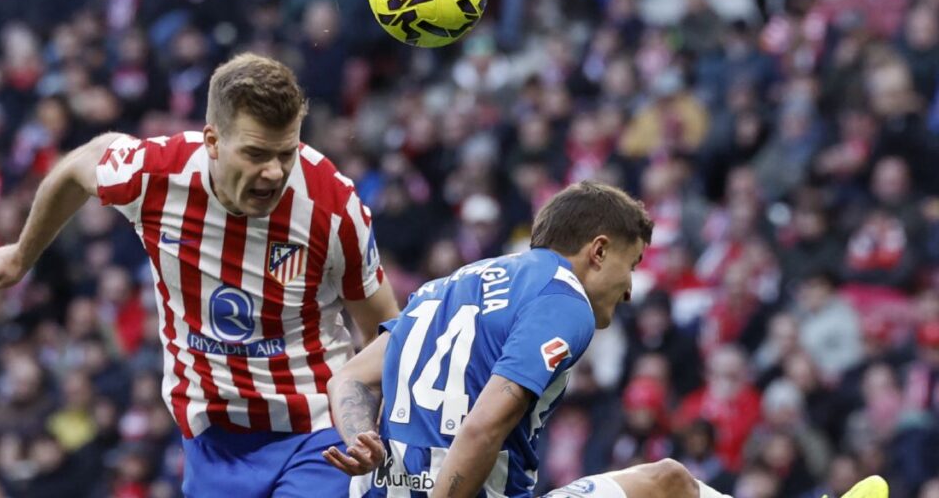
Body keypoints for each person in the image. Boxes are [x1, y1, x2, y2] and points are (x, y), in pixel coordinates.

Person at [0, 53, 401, 497]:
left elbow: (386, 330)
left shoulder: (331, 204)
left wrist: (368, 425)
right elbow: (82, 165)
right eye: (255, 154)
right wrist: (21, 255)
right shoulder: (159, 174)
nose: (273, 171)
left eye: (285, 153)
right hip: (211, 441)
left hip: (315, 435)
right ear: (212, 141)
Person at [321, 181, 891, 498]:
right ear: (597, 251)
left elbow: (347, 377)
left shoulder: (445, 286)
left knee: (668, 481)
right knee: (667, 485)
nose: (630, 287)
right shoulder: (562, 298)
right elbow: (485, 424)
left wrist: (357, 438)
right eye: (632, 263)